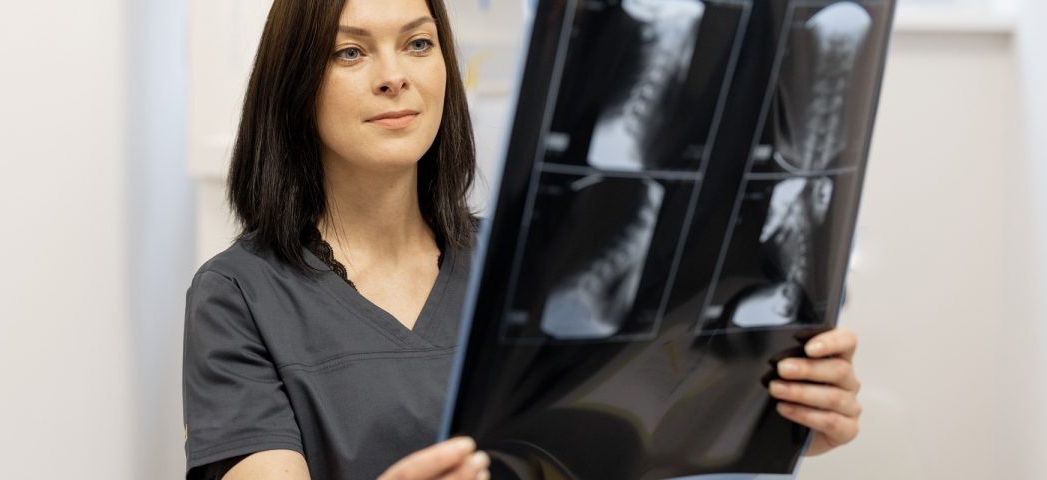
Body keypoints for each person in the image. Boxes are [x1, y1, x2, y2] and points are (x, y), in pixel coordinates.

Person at [182, 0, 864, 479]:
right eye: (350, 50)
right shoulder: (239, 296)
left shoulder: (530, 264)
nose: (396, 74)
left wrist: (781, 418)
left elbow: (633, 445)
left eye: (419, 43)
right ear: (294, 86)